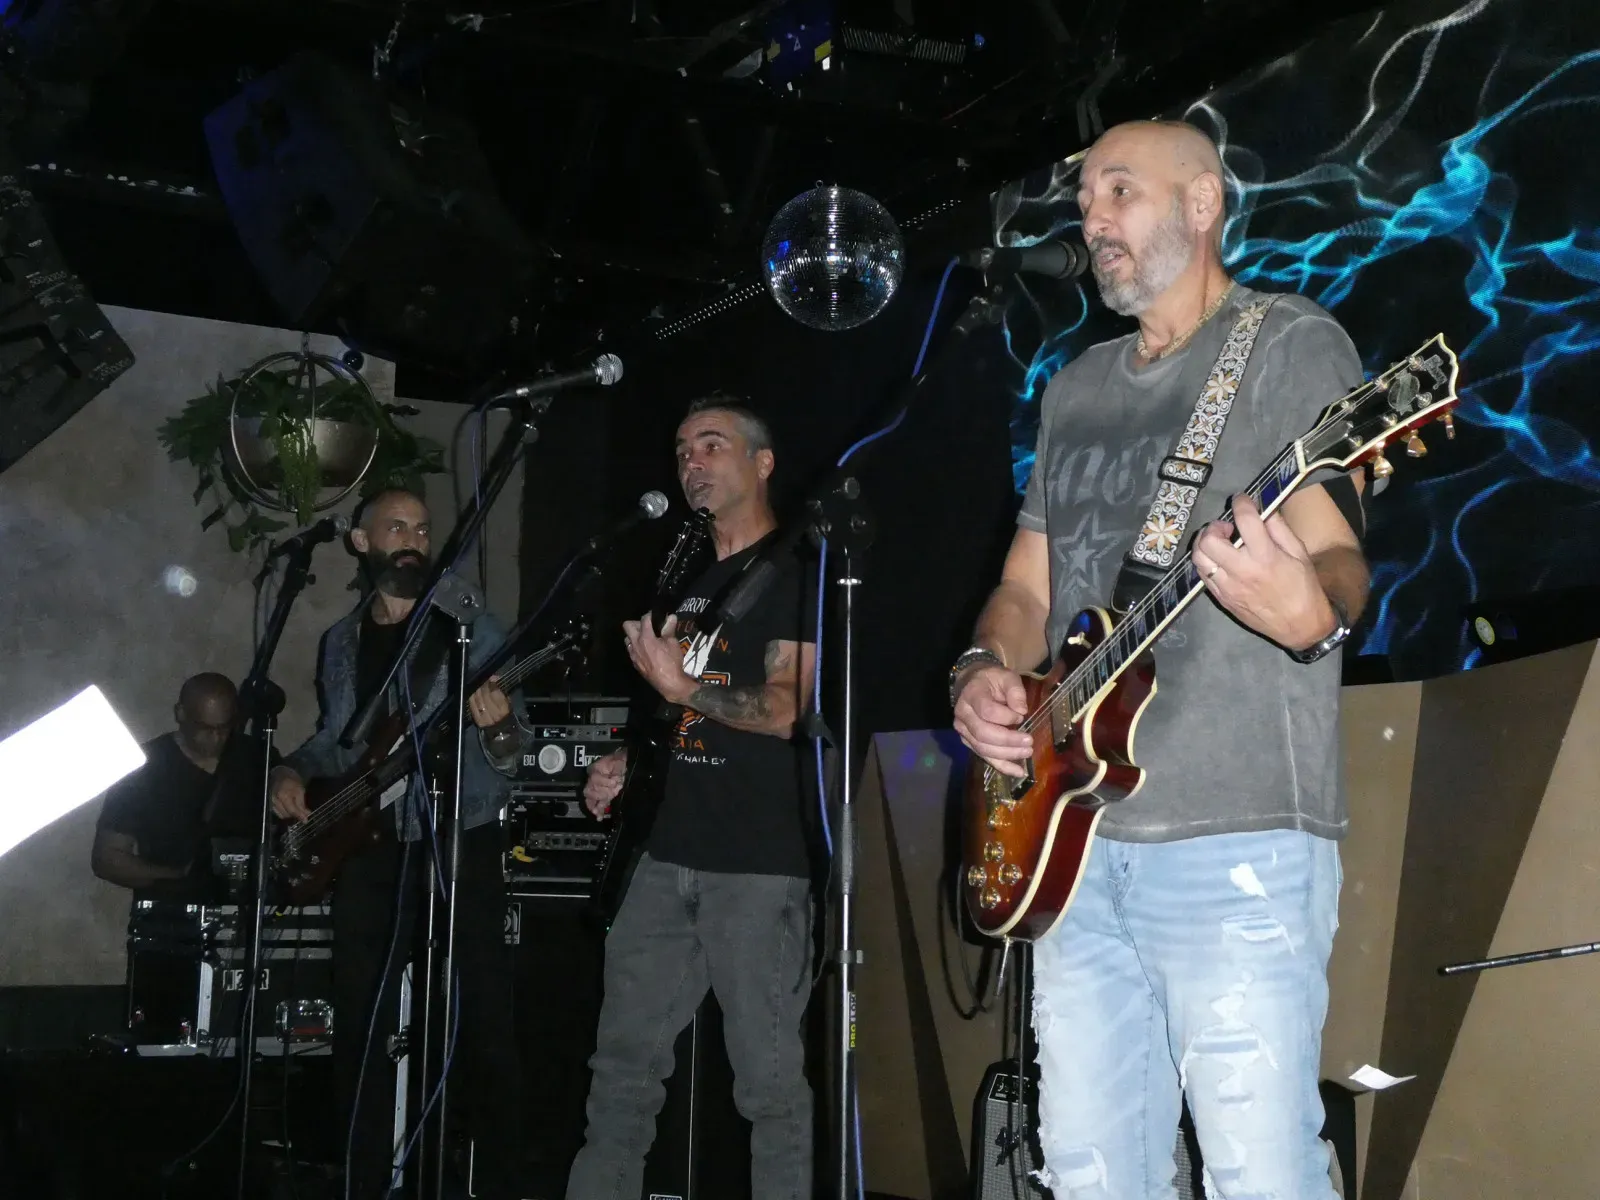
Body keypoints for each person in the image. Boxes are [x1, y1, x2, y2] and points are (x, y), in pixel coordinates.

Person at [952, 120, 1371, 1200]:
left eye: (1119, 191)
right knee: (1091, 1175)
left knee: (1259, 1173)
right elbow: (1026, 591)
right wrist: (983, 669)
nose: (1091, 218)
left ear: (1201, 204)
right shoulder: (1076, 387)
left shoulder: (1284, 343)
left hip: (1234, 834)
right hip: (1074, 842)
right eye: (1086, 198)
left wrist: (1309, 615)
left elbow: (1334, 559)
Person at [568, 397, 818, 1200]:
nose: (691, 463)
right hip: (664, 853)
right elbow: (672, 716)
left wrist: (683, 687)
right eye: (682, 450)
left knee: (769, 1090)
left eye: (712, 445)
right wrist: (625, 763)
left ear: (763, 463)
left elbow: (787, 709)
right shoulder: (690, 584)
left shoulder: (797, 570)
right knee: (620, 1073)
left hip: (757, 865)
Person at [267, 488, 532, 1200]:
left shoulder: (468, 623)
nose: (412, 538)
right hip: (370, 848)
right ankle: (363, 1178)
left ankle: (494, 1181)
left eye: (421, 527)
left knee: (482, 1018)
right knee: (361, 1019)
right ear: (361, 542)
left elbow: (517, 747)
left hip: (459, 836)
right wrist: (290, 771)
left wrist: (499, 725)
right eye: (396, 527)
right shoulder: (342, 641)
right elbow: (338, 741)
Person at [92, 672, 253, 899]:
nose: (216, 738)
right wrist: (181, 877)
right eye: (205, 728)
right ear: (181, 713)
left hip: (251, 911)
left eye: (224, 728)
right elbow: (107, 858)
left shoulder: (256, 758)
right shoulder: (142, 768)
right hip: (170, 909)